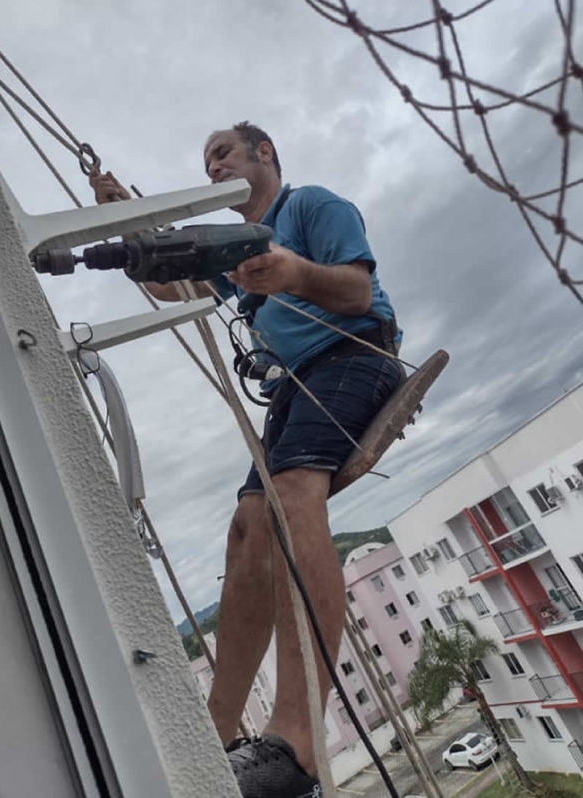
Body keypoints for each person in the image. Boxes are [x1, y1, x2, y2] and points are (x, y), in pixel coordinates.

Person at [91, 122, 402, 798]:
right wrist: (122, 214)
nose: (212, 168)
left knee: (292, 498)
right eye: (205, 161)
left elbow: (354, 292)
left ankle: (299, 745)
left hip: (354, 356)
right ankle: (217, 733)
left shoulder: (311, 206)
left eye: (222, 153)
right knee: (246, 530)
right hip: (294, 387)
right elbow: (176, 291)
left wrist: (294, 272)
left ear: (265, 154)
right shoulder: (233, 254)